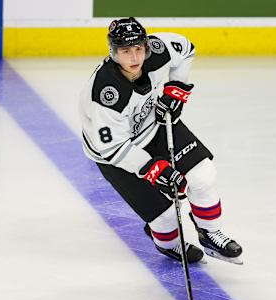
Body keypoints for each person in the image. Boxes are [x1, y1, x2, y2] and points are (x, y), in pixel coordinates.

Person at [79, 17, 242, 264]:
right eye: (125, 51)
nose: (134, 58)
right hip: (118, 155)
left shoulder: (155, 50)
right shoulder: (106, 92)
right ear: (113, 52)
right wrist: (155, 170)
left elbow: (186, 48)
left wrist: (177, 87)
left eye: (138, 49)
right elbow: (111, 148)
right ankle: (169, 245)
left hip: (153, 127)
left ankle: (209, 233)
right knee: (165, 216)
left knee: (204, 176)